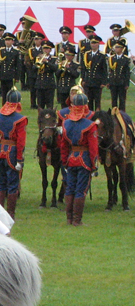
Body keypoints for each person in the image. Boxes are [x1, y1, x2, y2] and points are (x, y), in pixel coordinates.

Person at [60, 93, 98, 225]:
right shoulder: (90, 125)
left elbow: (64, 146)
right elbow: (93, 149)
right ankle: (77, 220)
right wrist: (94, 165)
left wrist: (64, 161)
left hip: (71, 159)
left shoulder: (66, 123)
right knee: (80, 189)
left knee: (70, 188)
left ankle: (69, 219)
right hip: (85, 160)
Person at [0, 88, 27, 219]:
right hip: (13, 152)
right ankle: (10, 214)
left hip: (0, 151)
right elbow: (21, 141)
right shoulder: (20, 119)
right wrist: (20, 159)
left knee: (0, 183)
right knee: (12, 184)